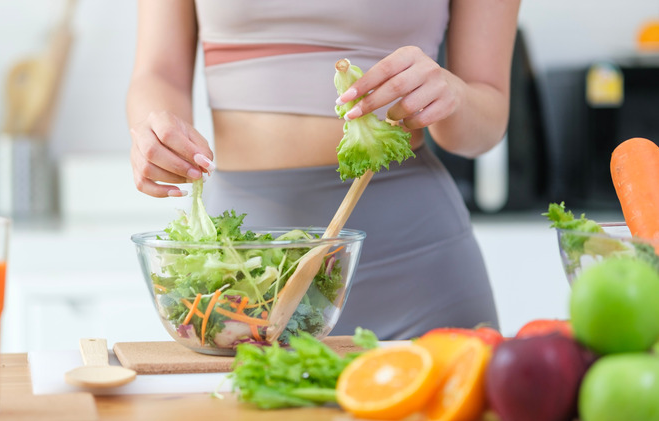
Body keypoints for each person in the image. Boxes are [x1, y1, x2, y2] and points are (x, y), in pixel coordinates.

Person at [126, 0, 521, 340]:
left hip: (413, 265)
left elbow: (486, 121)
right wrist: (154, 130)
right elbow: (157, 72)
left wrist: (453, 95)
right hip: (243, 266)